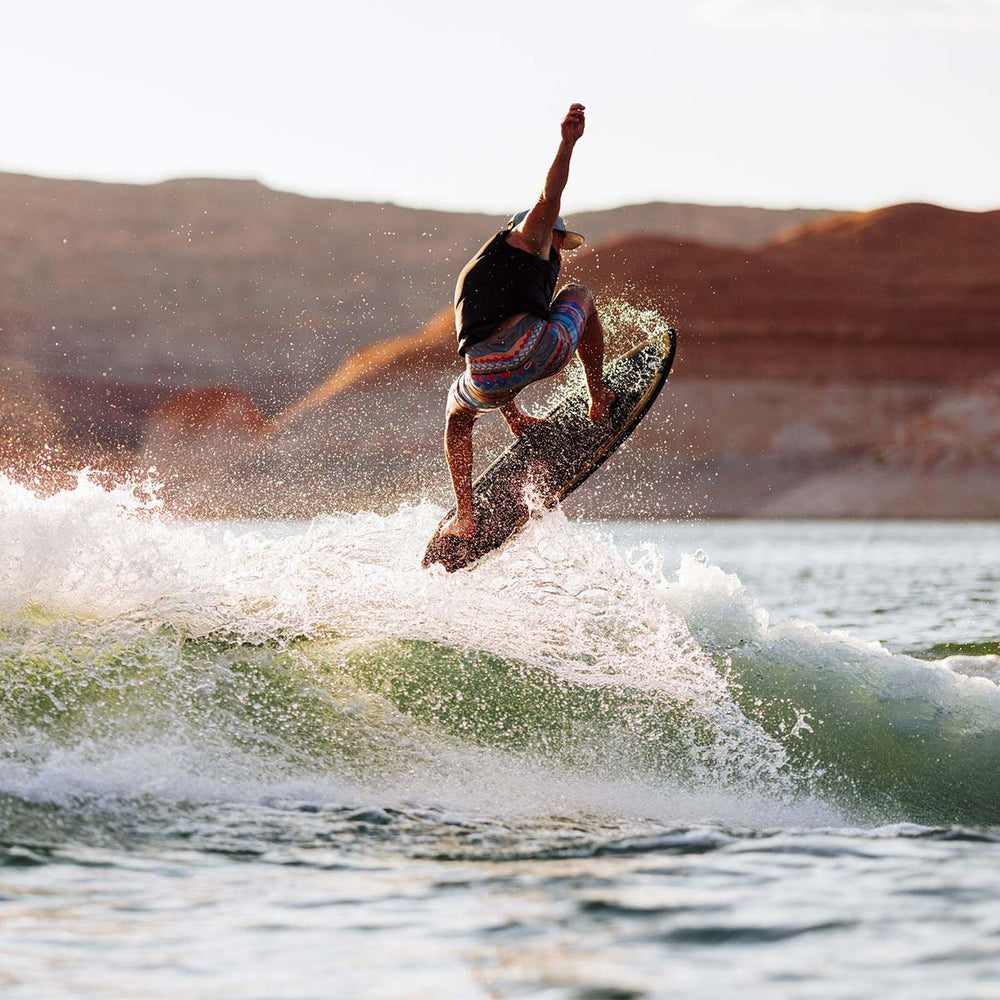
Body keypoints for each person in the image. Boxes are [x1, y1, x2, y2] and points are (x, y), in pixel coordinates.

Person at [441, 102, 615, 539]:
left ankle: (465, 517)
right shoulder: (530, 239)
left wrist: (510, 411)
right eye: (559, 239)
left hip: (486, 377)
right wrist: (567, 143)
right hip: (540, 352)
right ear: (544, 232)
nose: (560, 250)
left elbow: (492, 344)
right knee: (580, 296)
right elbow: (548, 197)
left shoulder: (479, 273)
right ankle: (598, 398)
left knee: (456, 413)